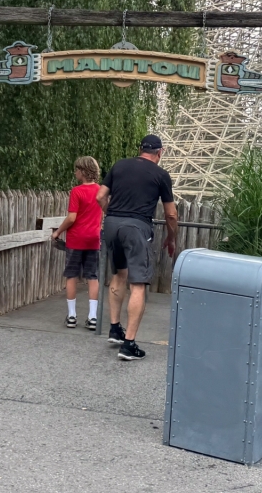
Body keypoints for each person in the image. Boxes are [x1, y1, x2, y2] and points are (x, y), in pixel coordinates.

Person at [96, 134, 177, 361]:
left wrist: (112, 215)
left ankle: (115, 329)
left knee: (118, 274)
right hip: (136, 227)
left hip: (112, 224)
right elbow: (171, 214)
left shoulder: (120, 165)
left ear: (140, 149)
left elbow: (100, 196)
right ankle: (129, 344)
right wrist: (171, 238)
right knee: (138, 283)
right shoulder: (161, 175)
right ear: (160, 152)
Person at [51, 156, 103, 330]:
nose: (75, 173)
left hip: (76, 239)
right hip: (94, 239)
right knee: (92, 277)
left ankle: (72, 316)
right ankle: (93, 317)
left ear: (82, 171)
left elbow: (72, 217)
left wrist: (58, 231)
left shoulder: (77, 191)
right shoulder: (101, 191)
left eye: (76, 170)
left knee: (72, 275)